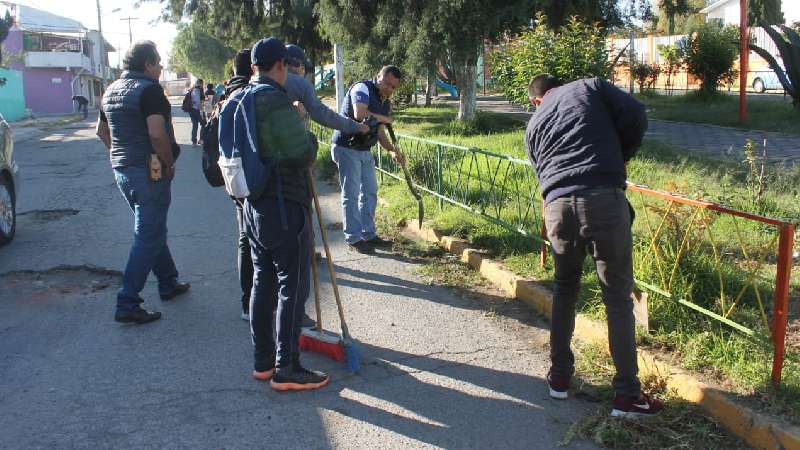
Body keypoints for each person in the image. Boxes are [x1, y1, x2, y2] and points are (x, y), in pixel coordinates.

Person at [524, 73, 662, 418]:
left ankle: (559, 378)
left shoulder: (534, 123)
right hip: (602, 195)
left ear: (535, 100)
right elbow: (635, 115)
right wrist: (622, 155)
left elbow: (541, 170)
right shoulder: (589, 86)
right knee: (616, 295)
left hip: (556, 206)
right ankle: (628, 395)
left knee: (565, 289)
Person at [232, 37, 329, 391]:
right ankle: (286, 368)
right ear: (280, 66)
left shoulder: (239, 97)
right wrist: (309, 136)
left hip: (252, 205)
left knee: (263, 281)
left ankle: (263, 362)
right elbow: (303, 153)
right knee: (293, 285)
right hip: (284, 205)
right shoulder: (274, 99)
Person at [96, 40, 190, 324]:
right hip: (150, 172)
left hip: (123, 171)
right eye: (159, 62)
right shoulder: (150, 90)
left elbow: (101, 132)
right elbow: (157, 134)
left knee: (151, 227)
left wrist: (120, 155)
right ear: (148, 64)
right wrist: (168, 162)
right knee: (147, 234)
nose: (161, 68)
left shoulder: (110, 91)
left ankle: (168, 282)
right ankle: (127, 302)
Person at [331, 65, 405, 254]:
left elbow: (380, 132)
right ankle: (354, 238)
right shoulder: (362, 88)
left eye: (393, 87)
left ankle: (368, 234)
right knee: (352, 194)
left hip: (364, 149)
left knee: (370, 191)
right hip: (346, 147)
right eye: (387, 83)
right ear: (378, 76)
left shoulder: (384, 101)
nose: (389, 89)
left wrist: (391, 150)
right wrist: (385, 119)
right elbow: (360, 114)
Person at [188, 78, 204, 147]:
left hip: (191, 110)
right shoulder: (198, 90)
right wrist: (201, 110)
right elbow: (198, 102)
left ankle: (194, 142)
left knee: (195, 125)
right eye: (202, 84)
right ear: (200, 83)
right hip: (197, 110)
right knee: (203, 124)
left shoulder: (191, 89)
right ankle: (201, 139)